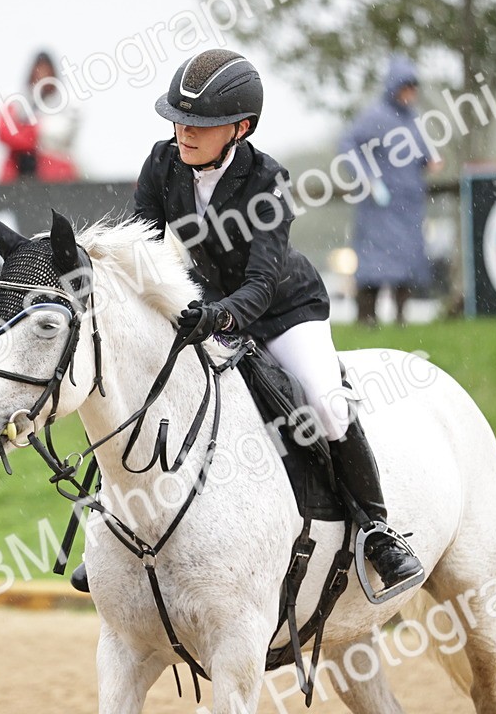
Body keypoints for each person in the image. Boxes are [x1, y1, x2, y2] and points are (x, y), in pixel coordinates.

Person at [69, 48, 423, 594]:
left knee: (326, 403)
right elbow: (142, 249)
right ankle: (118, 530)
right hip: (209, 302)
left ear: (240, 128)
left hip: (283, 310)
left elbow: (259, 286)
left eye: (199, 125)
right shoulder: (163, 163)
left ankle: (378, 529)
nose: (184, 132)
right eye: (179, 120)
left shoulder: (267, 183)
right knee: (145, 387)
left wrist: (215, 317)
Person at [338, 56, 442, 327]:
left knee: (407, 264)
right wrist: (368, 179)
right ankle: (366, 319)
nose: (410, 94)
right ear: (395, 86)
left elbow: (423, 152)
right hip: (378, 207)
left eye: (413, 88)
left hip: (409, 205)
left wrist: (430, 159)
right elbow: (348, 146)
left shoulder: (413, 121)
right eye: (406, 87)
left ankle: (401, 320)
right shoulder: (374, 117)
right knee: (373, 265)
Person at [0, 51, 80, 183]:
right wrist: (33, 133)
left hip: (55, 176)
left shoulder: (67, 103)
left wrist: (25, 131)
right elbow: (3, 130)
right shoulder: (19, 101)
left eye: (46, 72)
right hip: (17, 176)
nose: (42, 77)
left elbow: (60, 133)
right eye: (38, 72)